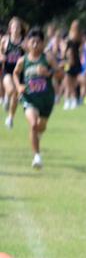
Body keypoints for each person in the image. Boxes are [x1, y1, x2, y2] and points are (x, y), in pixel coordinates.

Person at [14, 28, 58, 170]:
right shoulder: (23, 60)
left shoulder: (48, 58)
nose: (34, 45)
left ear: (43, 44)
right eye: (32, 42)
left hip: (46, 99)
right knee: (33, 124)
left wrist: (48, 73)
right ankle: (37, 156)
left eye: (38, 42)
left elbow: (60, 74)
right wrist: (19, 85)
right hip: (29, 98)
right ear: (27, 43)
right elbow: (15, 73)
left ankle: (37, 138)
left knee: (41, 126)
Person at [2, 17, 26, 129]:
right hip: (7, 70)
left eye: (18, 27)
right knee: (11, 90)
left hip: (19, 72)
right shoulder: (5, 40)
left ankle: (10, 118)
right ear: (10, 29)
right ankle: (6, 97)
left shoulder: (24, 41)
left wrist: (26, 50)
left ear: (21, 29)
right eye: (13, 27)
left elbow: (31, 54)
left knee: (16, 95)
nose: (16, 29)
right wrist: (1, 56)